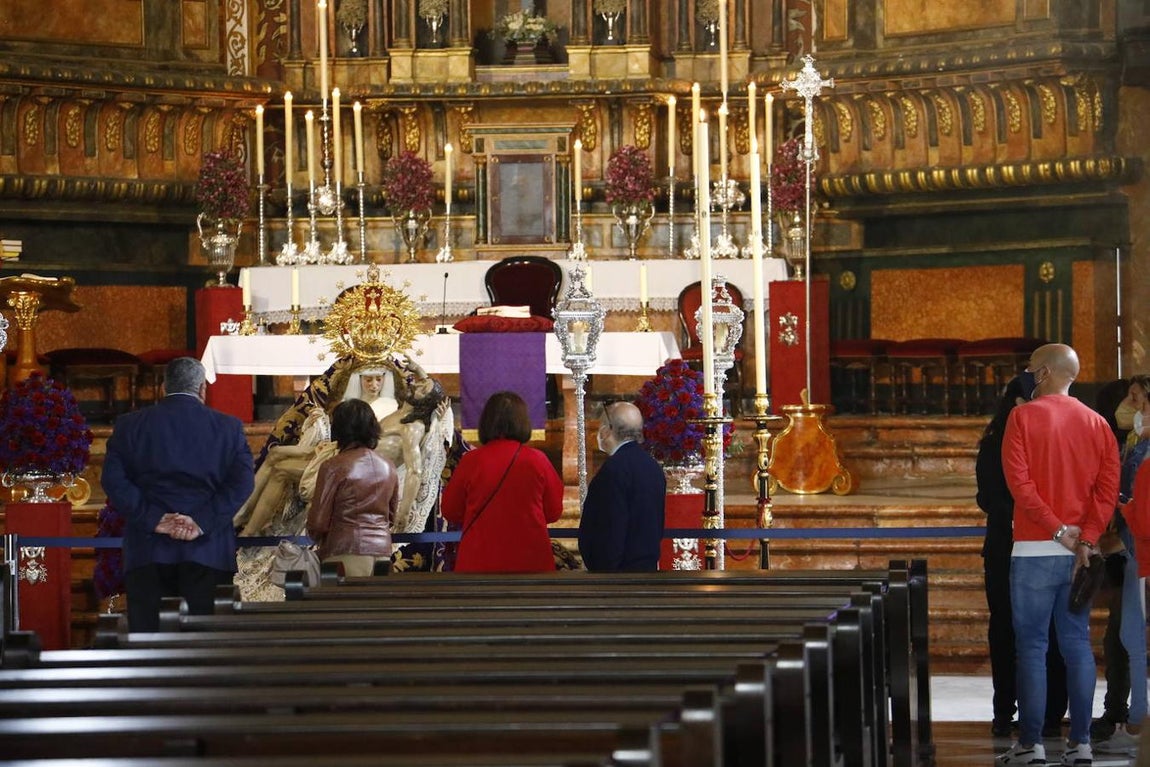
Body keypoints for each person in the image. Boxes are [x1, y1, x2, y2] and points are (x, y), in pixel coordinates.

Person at [996, 343, 1120, 767]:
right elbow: (1107, 490)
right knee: (1077, 645)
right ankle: (1081, 744)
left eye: (1031, 369)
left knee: (1032, 648)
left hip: (1033, 548)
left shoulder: (1021, 418)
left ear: (1045, 373)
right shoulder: (1098, 423)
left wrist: (1056, 530)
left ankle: (1031, 745)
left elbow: (1020, 485)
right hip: (1080, 554)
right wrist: (1085, 539)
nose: (1028, 376)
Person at [101, 357, 254, 632]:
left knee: (149, 639)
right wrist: (201, 521)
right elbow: (242, 483)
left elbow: (113, 481)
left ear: (164, 387)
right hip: (207, 550)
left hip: (148, 548)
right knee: (205, 643)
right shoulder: (228, 428)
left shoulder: (130, 425)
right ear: (202, 388)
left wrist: (154, 519)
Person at [976, 375, 1068, 739]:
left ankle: (1039, 713)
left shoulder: (1041, 438)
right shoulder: (998, 442)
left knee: (1042, 631)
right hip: (1016, 544)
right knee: (1011, 628)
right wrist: (1029, 517)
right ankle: (1013, 711)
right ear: (1017, 403)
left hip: (1036, 543)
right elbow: (988, 497)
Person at [442, 390, 563, 572]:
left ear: (486, 422)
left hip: (479, 560)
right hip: (530, 560)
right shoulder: (538, 460)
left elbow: (450, 510)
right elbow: (553, 512)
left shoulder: (471, 461)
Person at [306, 398, 399, 577]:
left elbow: (318, 522)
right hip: (383, 552)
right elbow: (392, 516)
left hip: (345, 551)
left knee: (346, 597)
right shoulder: (388, 466)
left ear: (339, 429)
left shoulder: (333, 466)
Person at [578, 400, 666, 571]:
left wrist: (603, 570)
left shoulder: (613, 470)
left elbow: (609, 528)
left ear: (606, 431)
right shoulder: (652, 466)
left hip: (618, 574)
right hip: (648, 569)